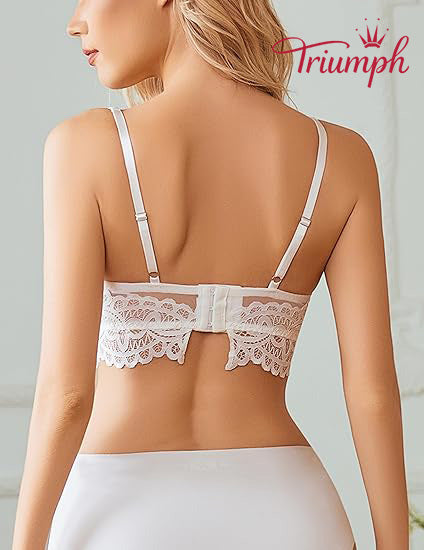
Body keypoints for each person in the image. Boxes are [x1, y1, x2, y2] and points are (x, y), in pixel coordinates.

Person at [12, 0, 409, 549]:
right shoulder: (340, 157)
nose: (74, 22)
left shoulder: (85, 146)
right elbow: (371, 393)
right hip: (289, 510)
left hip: (121, 512)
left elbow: (68, 395)